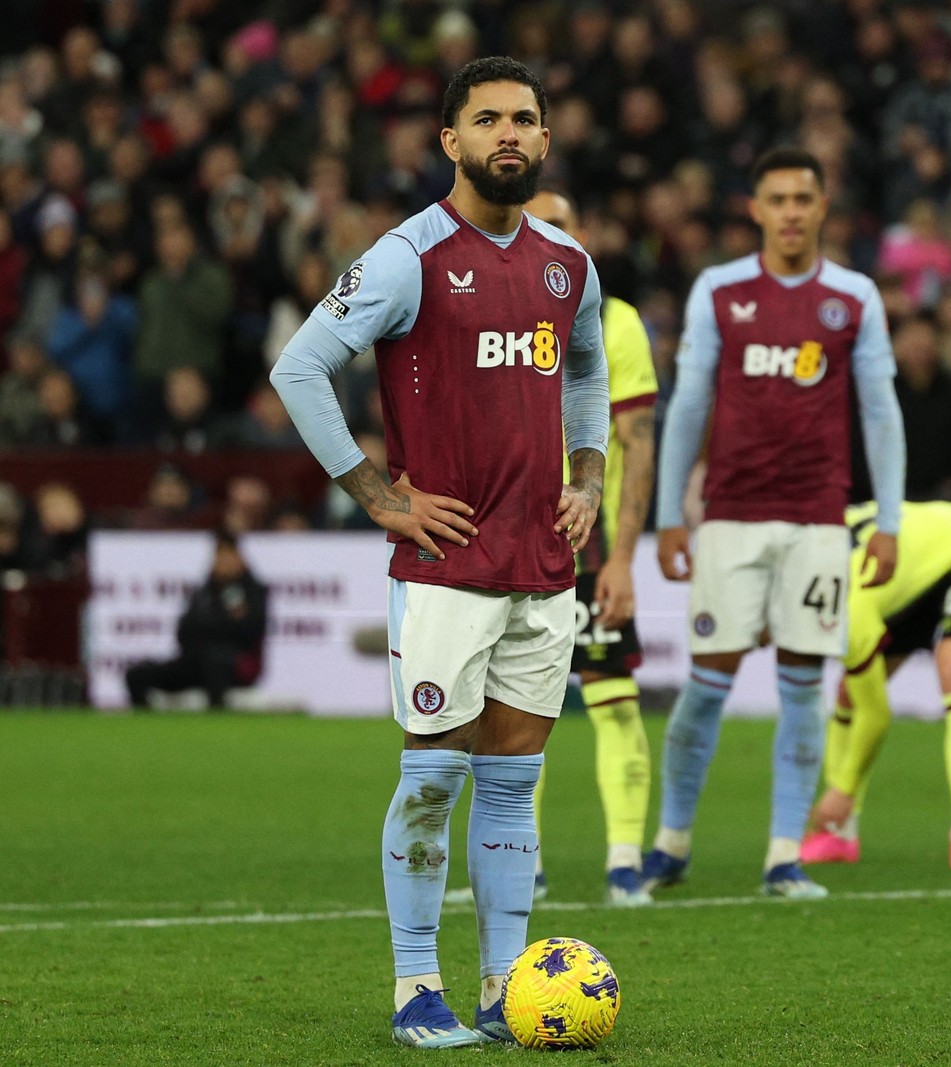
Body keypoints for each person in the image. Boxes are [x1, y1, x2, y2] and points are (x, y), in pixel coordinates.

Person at [269, 58, 610, 1049]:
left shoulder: (567, 263)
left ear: (545, 141)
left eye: (525, 119)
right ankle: (417, 984)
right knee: (433, 776)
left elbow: (585, 370)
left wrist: (585, 480)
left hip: (542, 567)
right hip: (446, 568)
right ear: (451, 140)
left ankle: (508, 987)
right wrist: (378, 492)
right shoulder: (407, 255)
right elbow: (299, 367)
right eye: (488, 119)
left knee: (511, 781)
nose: (509, 134)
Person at [644, 147, 906, 900]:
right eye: (777, 198)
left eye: (803, 197)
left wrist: (885, 518)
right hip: (729, 517)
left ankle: (784, 854)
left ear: (823, 207)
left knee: (802, 688)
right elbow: (688, 403)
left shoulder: (853, 297)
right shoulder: (721, 291)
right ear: (754, 209)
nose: (791, 210)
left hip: (820, 521)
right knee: (706, 685)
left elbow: (880, 411)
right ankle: (673, 840)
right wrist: (671, 517)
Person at [525, 189, 658, 907]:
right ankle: (524, 865)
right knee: (512, 713)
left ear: (585, 238)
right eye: (537, 224)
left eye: (563, 226)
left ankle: (625, 860)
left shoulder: (614, 321)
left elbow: (637, 444)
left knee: (612, 701)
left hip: (589, 545)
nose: (550, 237)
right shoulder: (492, 310)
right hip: (511, 545)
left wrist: (626, 558)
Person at [799, 500, 951, 873]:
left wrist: (842, 789)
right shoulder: (812, 568)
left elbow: (877, 715)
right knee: (852, 691)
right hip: (906, 574)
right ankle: (839, 835)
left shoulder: (845, 607)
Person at [124, 530, 268, 709]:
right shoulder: (203, 593)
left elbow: (248, 631)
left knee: (213, 661)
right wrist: (219, 626)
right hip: (195, 661)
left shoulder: (254, 593)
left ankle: (217, 720)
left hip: (234, 665)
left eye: (229, 556)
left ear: (241, 560)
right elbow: (183, 631)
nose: (224, 563)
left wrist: (211, 628)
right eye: (219, 557)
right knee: (137, 674)